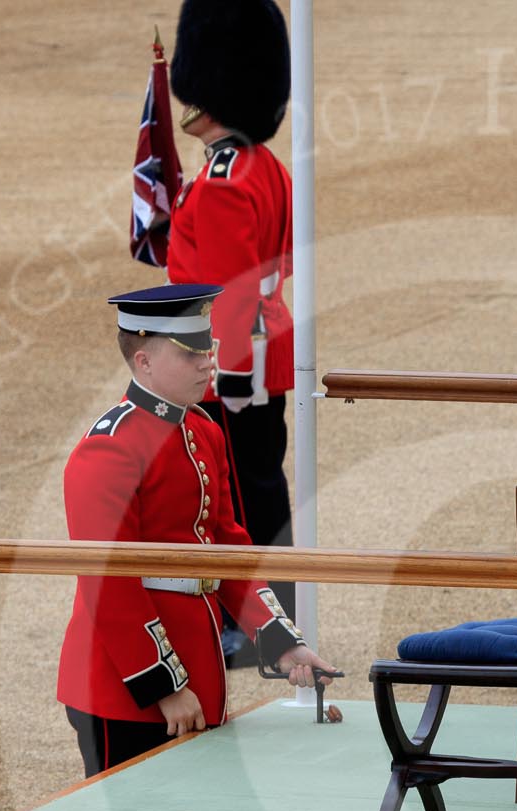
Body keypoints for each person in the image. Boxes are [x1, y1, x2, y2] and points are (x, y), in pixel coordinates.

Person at [58, 283, 337, 776]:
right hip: (124, 686)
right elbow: (108, 584)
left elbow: (228, 549)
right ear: (143, 361)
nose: (208, 361)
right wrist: (163, 686)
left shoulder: (203, 430)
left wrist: (280, 640)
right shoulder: (109, 449)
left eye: (207, 347)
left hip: (197, 669)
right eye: (190, 353)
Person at [166, 0, 297, 633]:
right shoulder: (261, 167)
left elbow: (230, 294)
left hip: (232, 363)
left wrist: (231, 378)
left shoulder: (220, 179)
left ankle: (257, 620)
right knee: (260, 488)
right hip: (265, 350)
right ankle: (275, 611)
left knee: (234, 495)